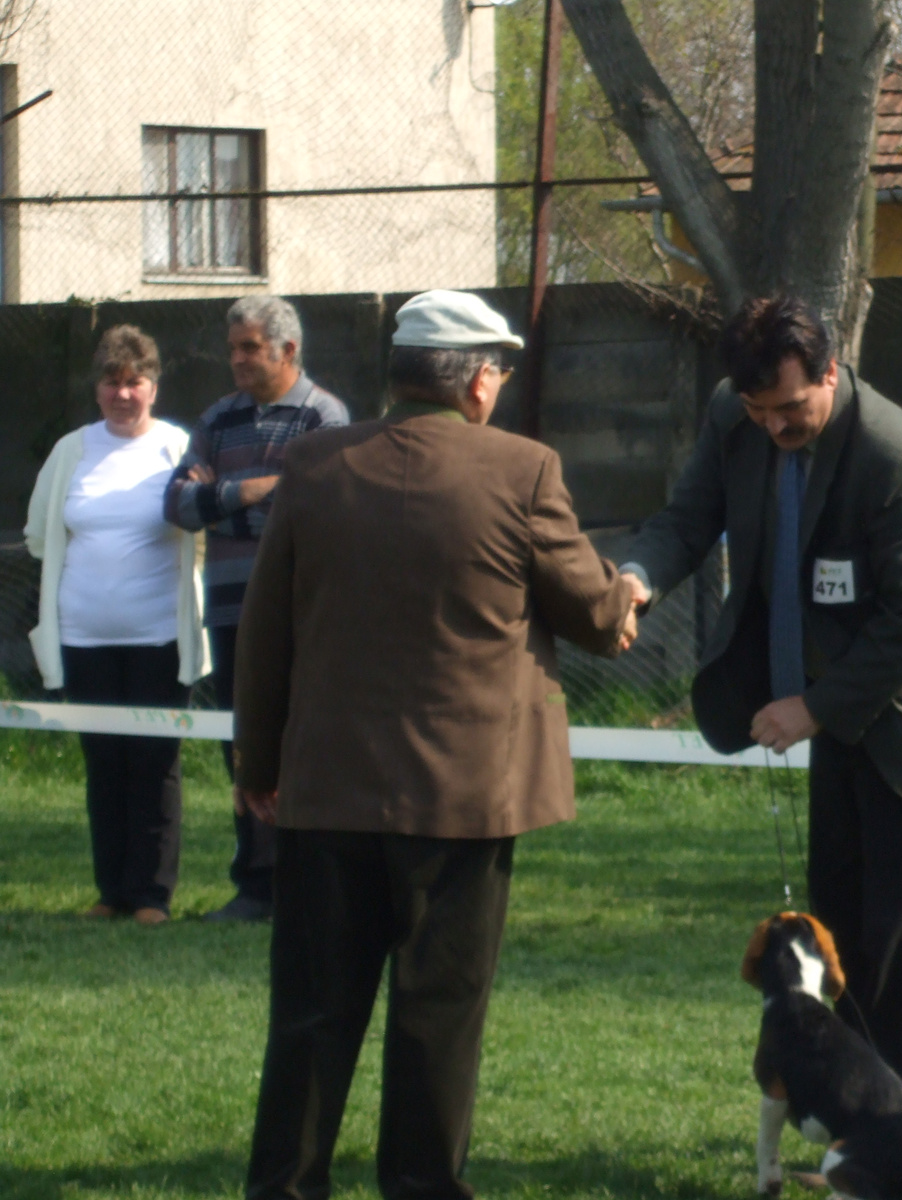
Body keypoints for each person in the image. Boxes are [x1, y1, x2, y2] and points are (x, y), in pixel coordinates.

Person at [232, 290, 639, 1199]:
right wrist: (628, 600)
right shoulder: (524, 470)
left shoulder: (312, 464)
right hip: (462, 803)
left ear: (403, 375)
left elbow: (264, 638)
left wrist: (259, 769)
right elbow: (591, 608)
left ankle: (284, 1188)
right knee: (437, 1018)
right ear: (482, 380)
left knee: (309, 1018)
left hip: (325, 794)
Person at [619, 295, 902, 1151]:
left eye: (791, 408)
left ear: (831, 371)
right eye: (758, 411)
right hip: (837, 711)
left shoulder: (897, 457)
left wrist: (811, 708)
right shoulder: (739, 417)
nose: (772, 427)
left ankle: (882, 1138)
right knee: (843, 927)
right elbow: (689, 519)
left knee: (893, 938)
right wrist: (639, 575)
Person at [164, 295, 349, 923]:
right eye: (233, 347)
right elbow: (178, 506)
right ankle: (254, 885)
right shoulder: (218, 417)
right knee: (242, 748)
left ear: (287, 350)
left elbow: (313, 509)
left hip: (298, 614)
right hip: (228, 612)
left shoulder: (324, 417)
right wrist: (255, 491)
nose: (236, 359)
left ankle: (304, 884)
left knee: (300, 747)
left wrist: (221, 500)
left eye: (249, 347)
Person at [24, 326, 209, 926]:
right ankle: (112, 892)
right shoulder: (71, 450)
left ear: (153, 386)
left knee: (154, 763)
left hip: (160, 636)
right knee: (103, 762)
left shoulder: (179, 446)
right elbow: (38, 534)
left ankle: (152, 895)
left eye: (135, 382)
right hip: (83, 637)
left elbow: (201, 527)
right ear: (97, 388)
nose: (123, 394)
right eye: (112, 382)